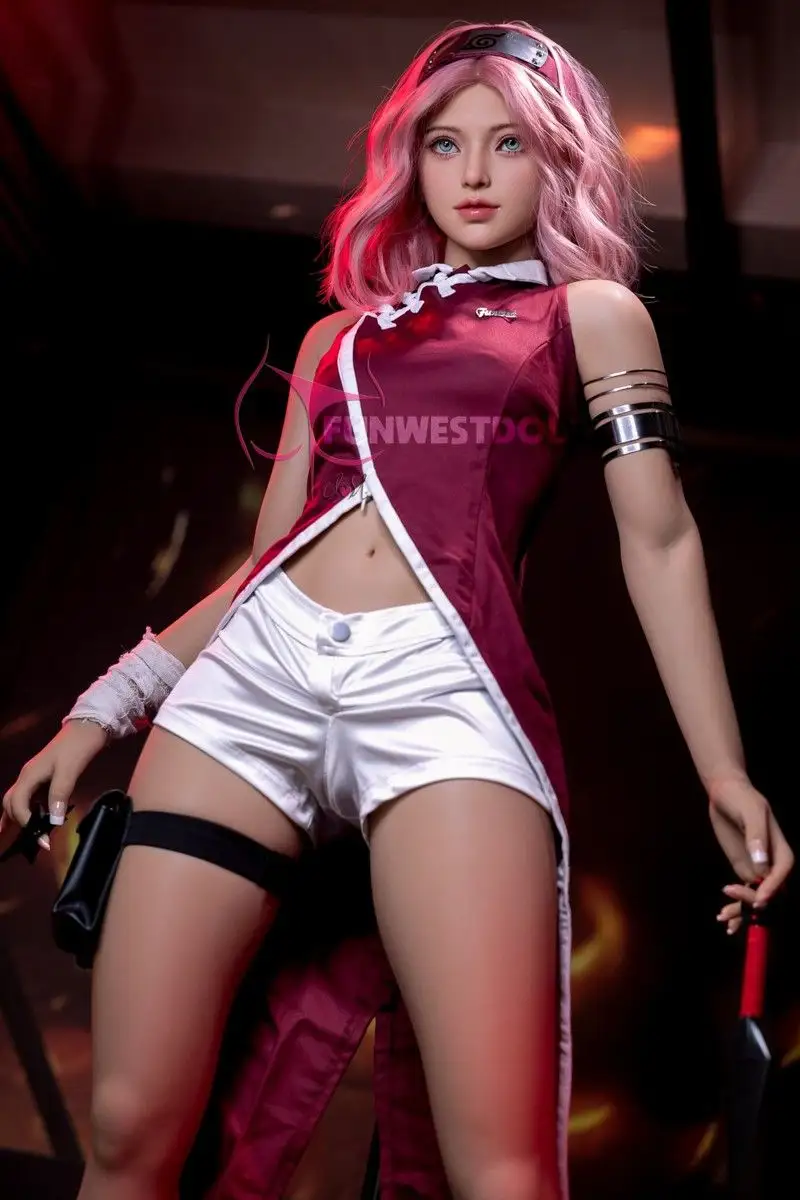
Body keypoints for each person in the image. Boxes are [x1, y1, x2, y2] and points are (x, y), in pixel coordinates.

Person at [1, 20, 794, 1200]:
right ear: (408, 160)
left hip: (441, 685)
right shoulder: (337, 339)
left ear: (557, 158)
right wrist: (98, 713)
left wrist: (721, 772)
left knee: (499, 1166)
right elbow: (263, 561)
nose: (472, 173)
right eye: (443, 143)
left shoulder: (589, 316)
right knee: (128, 1127)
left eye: (508, 143)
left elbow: (659, 536)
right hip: (254, 683)